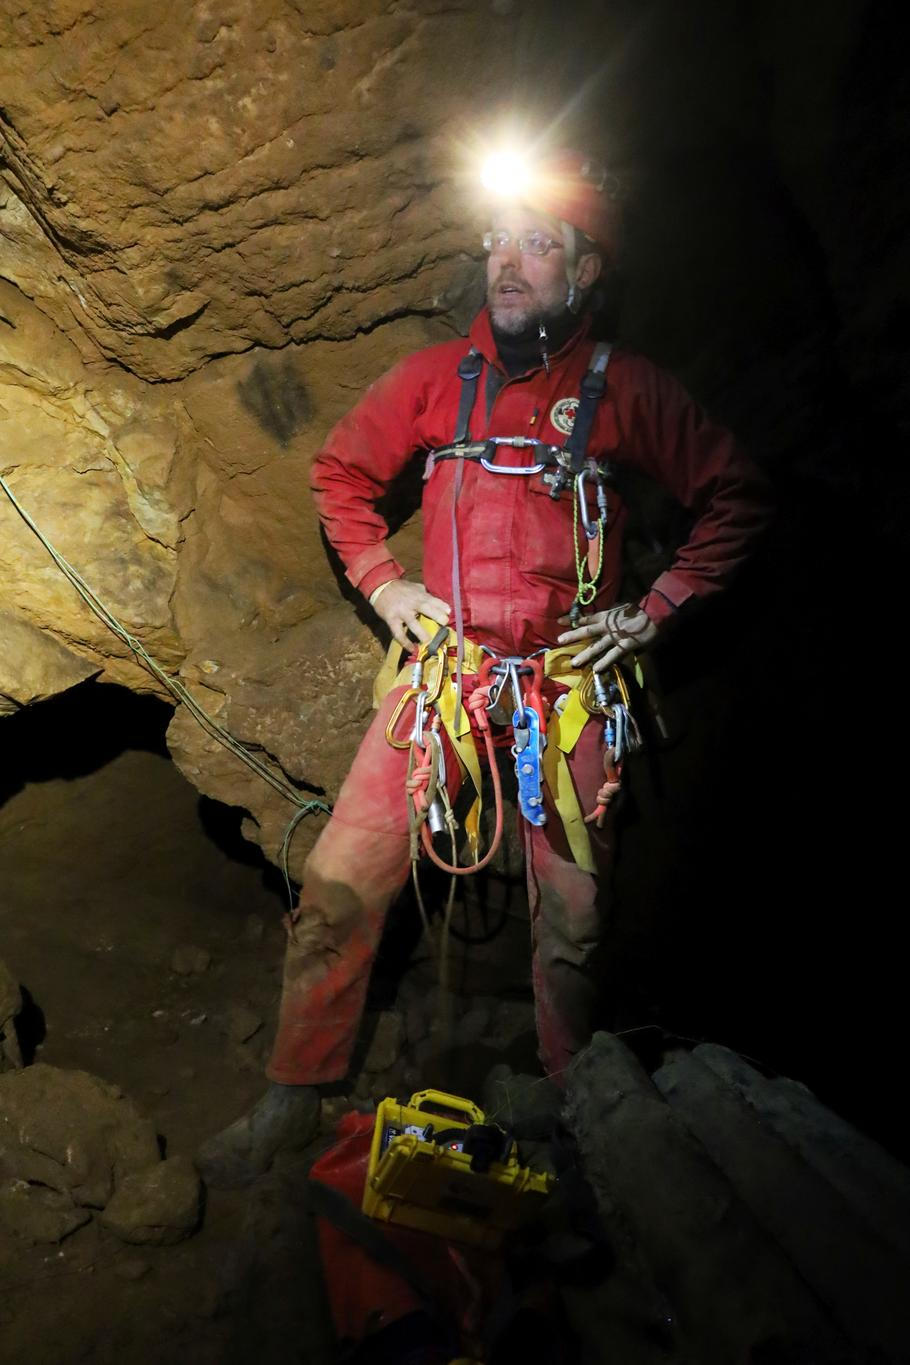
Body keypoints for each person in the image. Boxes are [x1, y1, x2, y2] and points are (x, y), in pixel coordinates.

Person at [197, 146, 771, 1187]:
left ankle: (573, 1109)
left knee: (574, 916)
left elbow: (734, 495)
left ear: (585, 270)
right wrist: (383, 585)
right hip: (445, 680)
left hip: (562, 690)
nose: (507, 262)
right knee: (338, 881)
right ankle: (296, 1093)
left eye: (537, 244)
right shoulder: (433, 381)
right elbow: (340, 472)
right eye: (498, 239)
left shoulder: (624, 392)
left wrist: (651, 614)